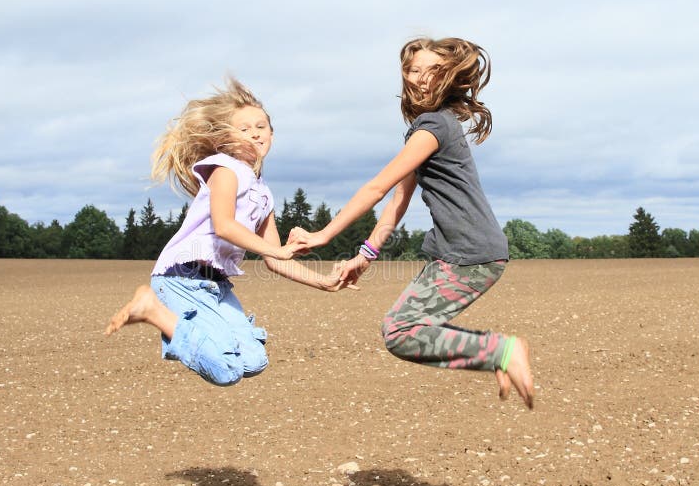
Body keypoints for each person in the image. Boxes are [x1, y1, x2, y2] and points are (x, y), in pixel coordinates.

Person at [290, 37, 535, 408]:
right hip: (460, 252)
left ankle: (500, 350)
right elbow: (397, 202)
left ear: (450, 76)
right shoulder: (430, 127)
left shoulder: (433, 127)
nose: (421, 79)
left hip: (470, 254)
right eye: (413, 71)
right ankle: (496, 353)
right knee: (404, 328)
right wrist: (365, 255)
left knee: (399, 331)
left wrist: (322, 234)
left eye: (433, 71)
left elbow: (376, 187)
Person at [105, 78, 347, 386]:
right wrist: (277, 249)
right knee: (225, 371)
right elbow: (224, 226)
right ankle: (153, 310)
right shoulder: (225, 170)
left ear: (272, 134)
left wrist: (324, 282)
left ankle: (178, 326)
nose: (254, 133)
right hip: (180, 277)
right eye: (243, 129)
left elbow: (274, 259)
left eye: (261, 126)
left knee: (254, 361)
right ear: (225, 140)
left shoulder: (264, 194)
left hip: (215, 285)